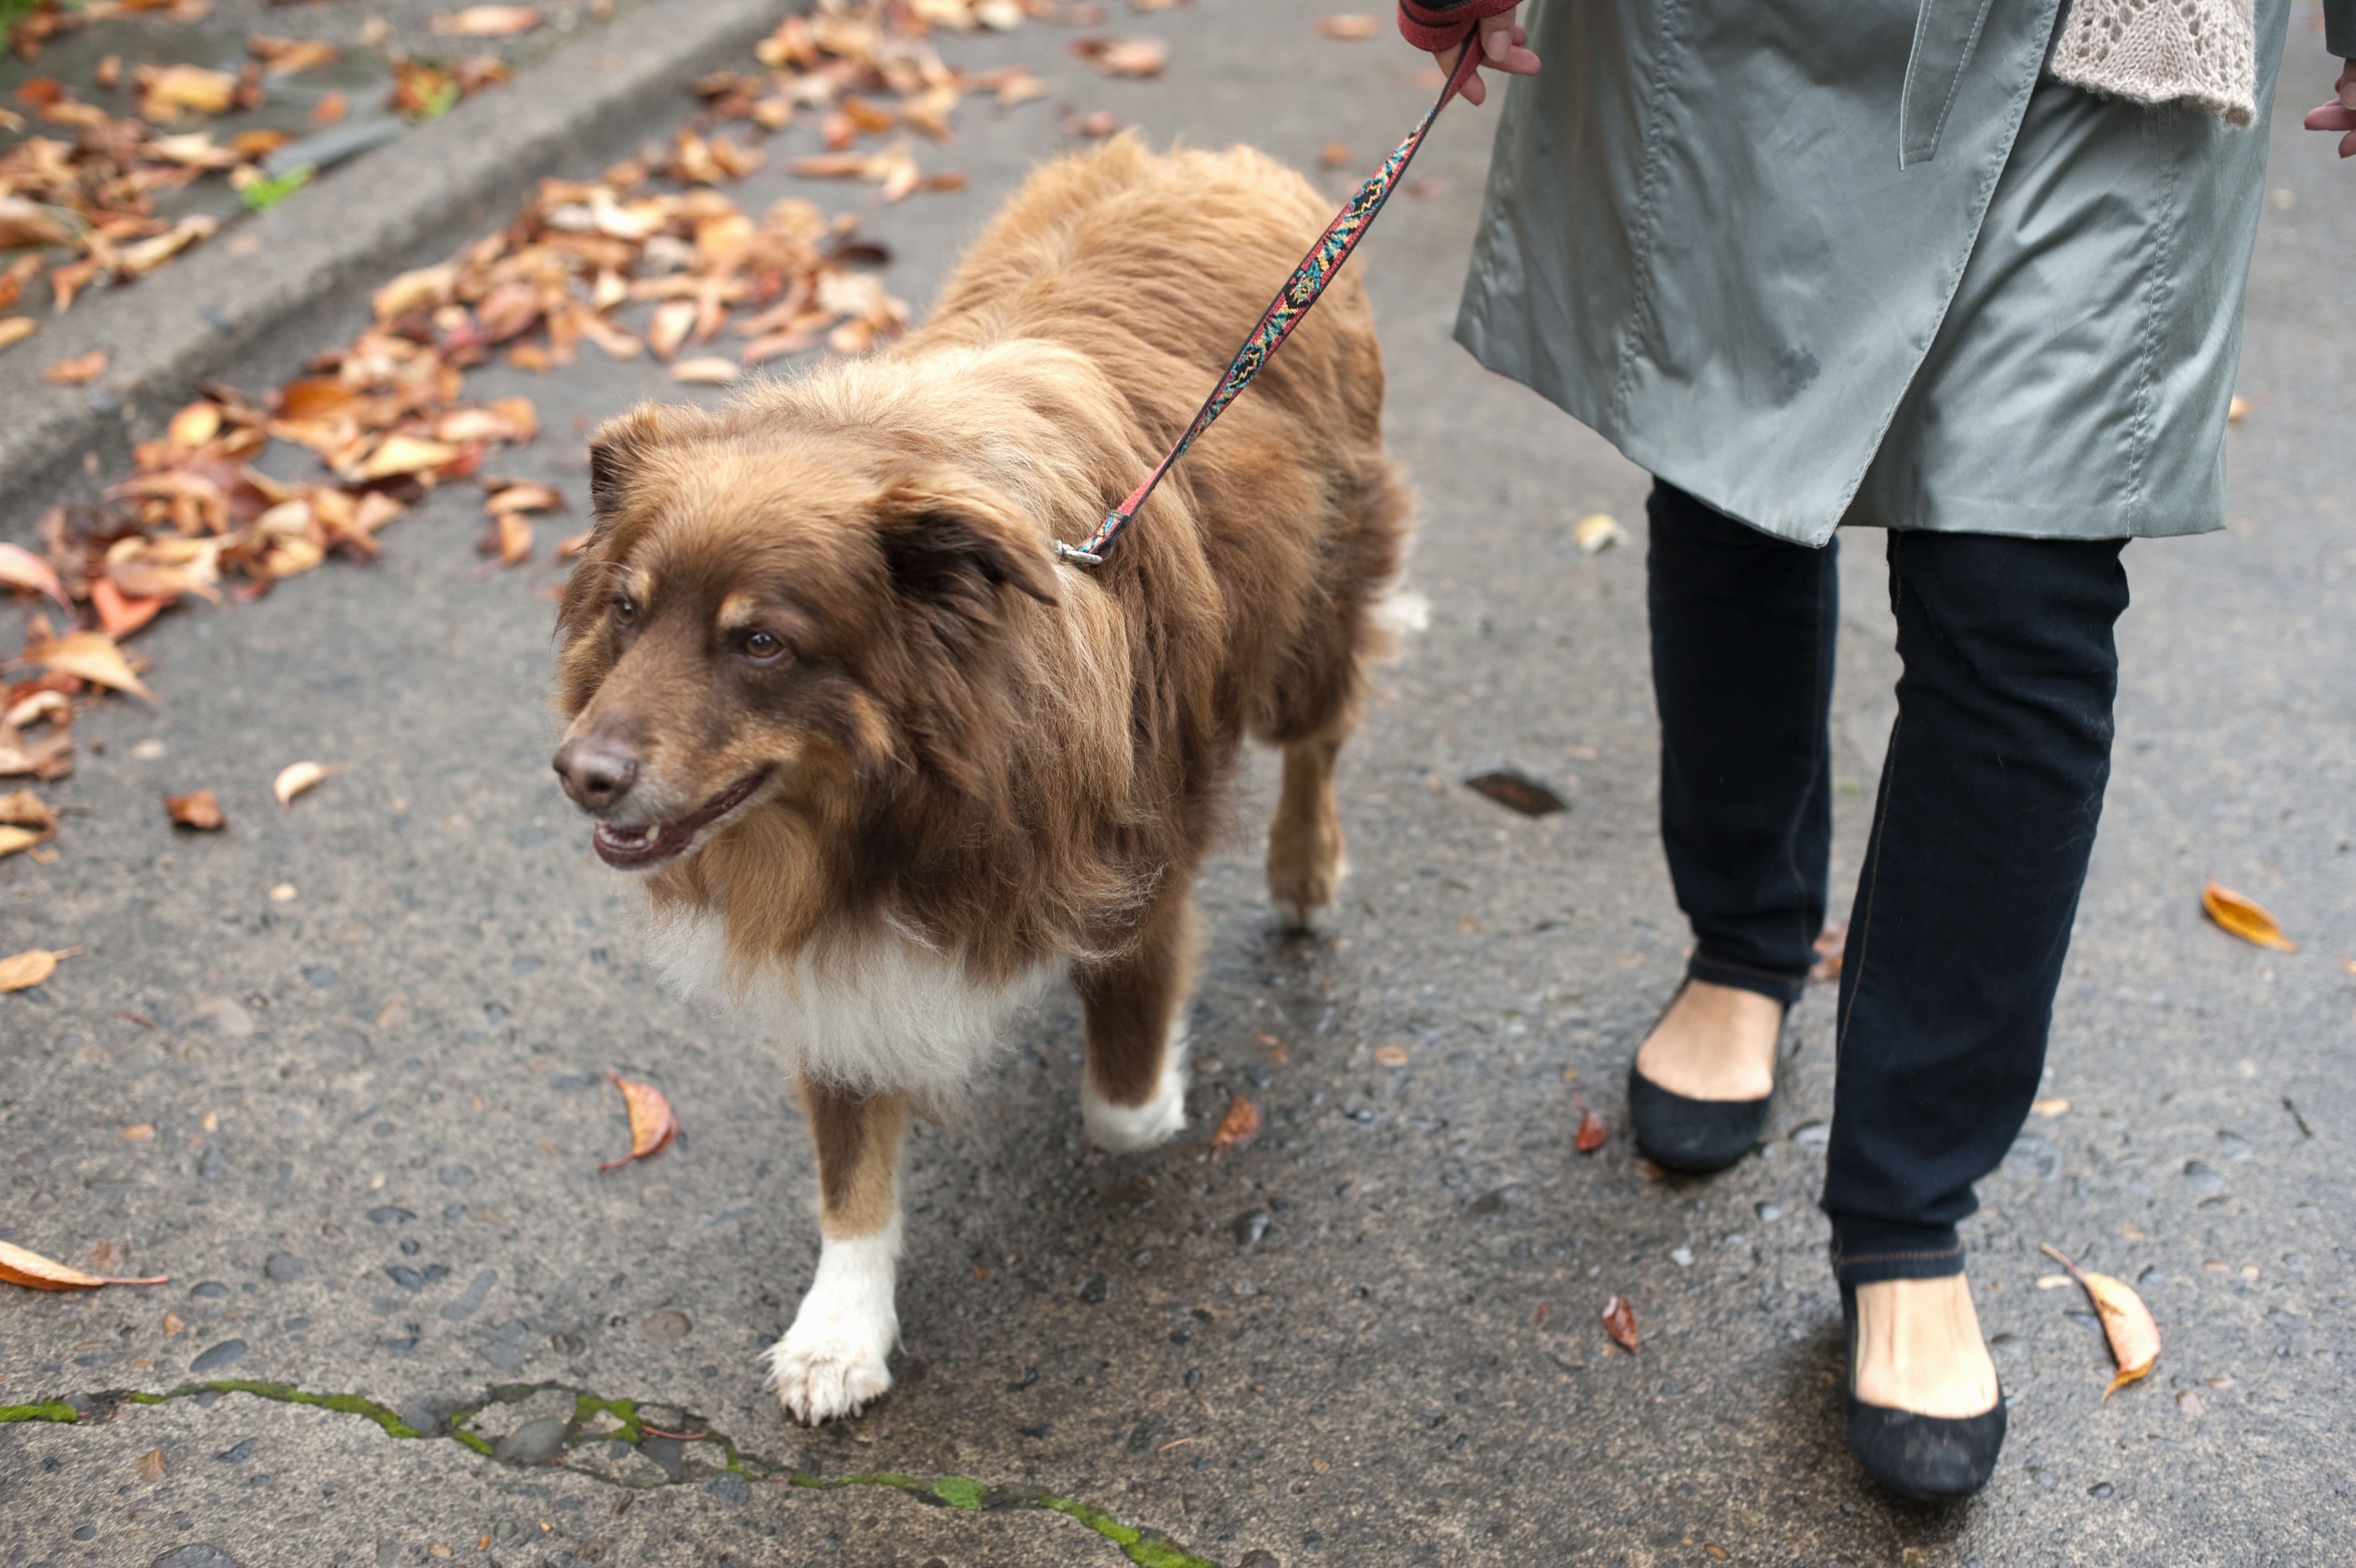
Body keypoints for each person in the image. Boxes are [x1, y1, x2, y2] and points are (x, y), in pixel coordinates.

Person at [1397, 0, 2354, 1500]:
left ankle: (1910, 1208)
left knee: (2023, 592)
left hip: (2119, 39)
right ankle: (1745, 937)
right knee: (1736, 454)